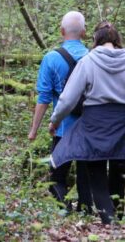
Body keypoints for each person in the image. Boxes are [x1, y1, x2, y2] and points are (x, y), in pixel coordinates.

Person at [49, 22, 125, 224]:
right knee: (119, 168)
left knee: (96, 171)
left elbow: (67, 99)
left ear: (95, 40)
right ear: (117, 40)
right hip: (122, 123)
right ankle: (118, 217)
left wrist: (55, 121)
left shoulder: (88, 61)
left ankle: (109, 222)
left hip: (95, 124)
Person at [28, 11, 92, 211]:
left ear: (61, 31)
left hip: (62, 129)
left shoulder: (51, 58)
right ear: (84, 32)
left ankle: (64, 210)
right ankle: (85, 211)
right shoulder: (93, 57)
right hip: (90, 129)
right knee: (86, 176)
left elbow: (44, 97)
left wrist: (34, 130)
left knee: (56, 177)